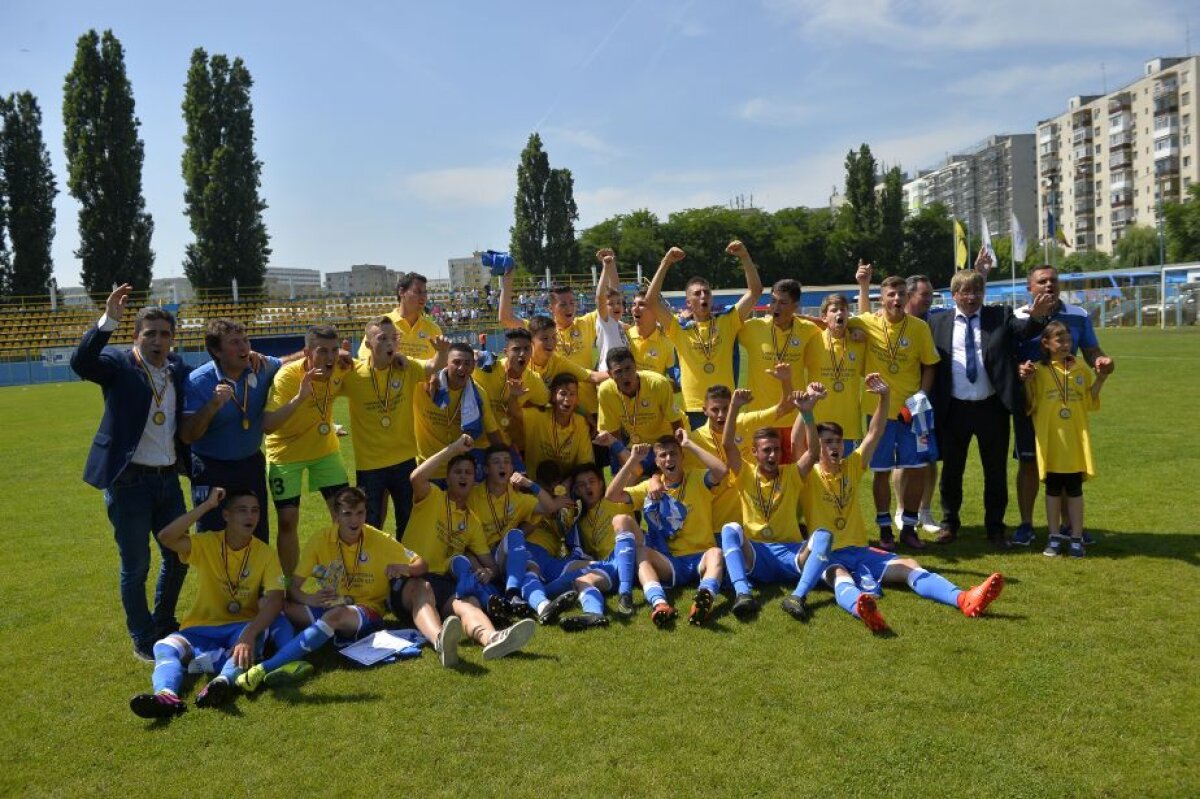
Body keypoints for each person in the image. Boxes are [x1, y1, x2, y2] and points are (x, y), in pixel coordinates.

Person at [796, 386, 1005, 633]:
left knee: (910, 565)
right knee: (840, 575)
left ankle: (964, 599)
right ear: (817, 446)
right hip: (828, 555)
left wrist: (885, 397)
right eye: (828, 442)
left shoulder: (852, 466)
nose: (835, 446)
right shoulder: (808, 474)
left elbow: (876, 431)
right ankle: (861, 609)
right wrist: (806, 412)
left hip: (860, 550)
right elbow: (798, 443)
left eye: (839, 441)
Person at [71, 284, 193, 661]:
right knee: (136, 564)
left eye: (165, 334)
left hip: (168, 480)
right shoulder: (119, 365)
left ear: (173, 339)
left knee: (178, 556)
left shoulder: (177, 370)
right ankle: (142, 635)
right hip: (129, 482)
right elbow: (82, 362)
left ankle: (163, 622)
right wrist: (108, 319)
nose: (158, 340)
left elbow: (213, 375)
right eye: (150, 333)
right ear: (136, 336)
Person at [236, 486, 434, 686]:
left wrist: (404, 568)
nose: (355, 520)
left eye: (360, 513)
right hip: (330, 604)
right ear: (336, 515)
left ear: (366, 512)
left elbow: (422, 563)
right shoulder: (320, 539)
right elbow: (294, 586)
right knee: (268, 604)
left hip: (365, 611)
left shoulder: (380, 539)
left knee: (335, 615)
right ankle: (287, 656)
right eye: (347, 514)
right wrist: (308, 598)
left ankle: (265, 667)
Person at [129, 488, 290, 718]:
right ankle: (167, 696)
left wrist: (248, 634)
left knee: (248, 644)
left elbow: (276, 599)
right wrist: (206, 506)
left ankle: (221, 683)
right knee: (164, 647)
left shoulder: (265, 553)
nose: (250, 517)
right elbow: (167, 537)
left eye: (255, 511)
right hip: (199, 627)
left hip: (241, 627)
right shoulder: (207, 543)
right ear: (226, 515)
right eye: (242, 510)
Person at [929, 269, 1051, 547]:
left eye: (977, 291)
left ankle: (995, 527)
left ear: (983, 294)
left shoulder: (1000, 316)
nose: (971, 297)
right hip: (954, 409)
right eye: (965, 292)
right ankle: (950, 524)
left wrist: (1038, 316)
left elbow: (1025, 331)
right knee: (952, 471)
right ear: (954, 295)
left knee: (995, 471)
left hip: (992, 408)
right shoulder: (937, 322)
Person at [399, 435, 537, 665]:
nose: (463, 476)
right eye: (457, 472)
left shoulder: (471, 521)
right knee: (423, 589)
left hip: (442, 581)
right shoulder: (431, 497)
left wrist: (488, 573)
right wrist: (453, 448)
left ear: (475, 480)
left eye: (468, 473)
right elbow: (416, 476)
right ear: (448, 478)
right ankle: (440, 641)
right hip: (409, 576)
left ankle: (492, 638)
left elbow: (489, 563)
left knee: (469, 601)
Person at [1010, 265, 1115, 547]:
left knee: (1068, 465)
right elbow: (1009, 353)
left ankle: (1070, 526)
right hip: (1032, 403)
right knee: (1029, 462)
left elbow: (1091, 350)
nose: (1049, 285)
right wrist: (1020, 371)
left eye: (1053, 281)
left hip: (1066, 404)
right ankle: (1026, 524)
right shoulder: (1020, 316)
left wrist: (1101, 362)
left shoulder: (1078, 315)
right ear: (1029, 288)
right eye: (1042, 281)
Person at [717, 384, 831, 620]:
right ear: (754, 452)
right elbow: (728, 444)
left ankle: (797, 596)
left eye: (777, 450)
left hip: (791, 554)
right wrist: (735, 408)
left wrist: (808, 413)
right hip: (756, 554)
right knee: (730, 529)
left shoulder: (791, 473)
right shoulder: (745, 473)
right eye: (766, 450)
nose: (772, 455)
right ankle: (743, 593)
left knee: (824, 536)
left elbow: (813, 454)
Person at [851, 266, 940, 551]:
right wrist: (862, 285)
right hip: (878, 413)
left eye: (902, 293)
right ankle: (885, 528)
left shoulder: (919, 327)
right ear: (882, 299)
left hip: (911, 413)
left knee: (915, 469)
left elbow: (930, 364)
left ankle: (910, 528)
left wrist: (921, 399)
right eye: (892, 294)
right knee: (881, 471)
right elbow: (836, 321)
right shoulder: (868, 322)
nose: (897, 298)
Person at [339, 317, 448, 537]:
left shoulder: (405, 367)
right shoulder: (352, 374)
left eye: (394, 338)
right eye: (383, 338)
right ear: (368, 344)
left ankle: (406, 568)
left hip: (405, 459)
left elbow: (432, 366)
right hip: (370, 464)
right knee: (370, 524)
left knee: (408, 521)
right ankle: (371, 567)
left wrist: (443, 352)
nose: (391, 343)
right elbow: (323, 390)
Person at [606, 431, 728, 626]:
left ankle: (703, 599)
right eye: (663, 455)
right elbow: (612, 495)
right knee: (640, 551)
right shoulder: (650, 486)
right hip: (670, 562)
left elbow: (721, 471)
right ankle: (660, 604)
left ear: (682, 457)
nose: (669, 459)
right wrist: (633, 460)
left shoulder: (697, 477)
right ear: (656, 462)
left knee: (716, 553)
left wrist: (689, 444)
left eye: (673, 453)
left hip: (700, 557)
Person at [180, 318, 286, 542]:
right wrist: (213, 405)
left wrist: (318, 355)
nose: (244, 347)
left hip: (250, 464)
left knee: (256, 534)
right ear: (216, 351)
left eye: (246, 340)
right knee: (213, 535)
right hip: (211, 468)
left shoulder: (259, 367)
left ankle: (255, 578)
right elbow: (187, 435)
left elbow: (288, 363)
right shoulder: (198, 381)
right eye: (235, 342)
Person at [644, 242, 763, 428]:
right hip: (695, 405)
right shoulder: (678, 327)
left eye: (706, 292)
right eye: (697, 293)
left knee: (729, 452)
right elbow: (650, 300)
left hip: (726, 403)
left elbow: (755, 292)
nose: (703, 296)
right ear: (688, 302)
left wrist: (745, 256)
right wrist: (666, 262)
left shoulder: (727, 320)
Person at [263, 325, 350, 577]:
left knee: (343, 515)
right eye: (322, 351)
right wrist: (299, 397)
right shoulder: (288, 377)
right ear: (307, 352)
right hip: (285, 453)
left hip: (325, 452)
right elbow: (268, 426)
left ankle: (344, 577)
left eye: (334, 350)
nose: (330, 357)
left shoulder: (341, 369)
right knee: (288, 520)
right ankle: (291, 585)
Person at [1018, 322, 1110, 558]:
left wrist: (1100, 379)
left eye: (1068, 340)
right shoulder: (1038, 371)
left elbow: (1089, 401)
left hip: (1076, 441)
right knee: (1053, 489)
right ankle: (1054, 536)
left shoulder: (1080, 368)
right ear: (1046, 344)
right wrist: (1027, 382)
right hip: (1051, 442)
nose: (1066, 345)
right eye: (1060, 340)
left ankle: (1077, 538)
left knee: (1075, 489)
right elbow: (1030, 405)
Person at [686, 364, 796, 527]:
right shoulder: (695, 440)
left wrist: (786, 381)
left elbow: (785, 407)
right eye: (715, 410)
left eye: (726, 409)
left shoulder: (745, 422)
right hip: (715, 522)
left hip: (753, 519)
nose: (721, 415)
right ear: (704, 410)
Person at [737, 278, 819, 457]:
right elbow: (726, 324)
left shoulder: (808, 330)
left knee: (794, 477)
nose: (776, 307)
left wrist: (855, 330)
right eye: (773, 301)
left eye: (783, 303)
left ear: (795, 305)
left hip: (794, 420)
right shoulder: (753, 328)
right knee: (759, 478)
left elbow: (835, 327)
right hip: (760, 418)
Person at [500, 272, 601, 416]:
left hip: (588, 408)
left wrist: (609, 266)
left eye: (572, 303)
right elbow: (505, 318)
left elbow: (606, 303)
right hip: (552, 412)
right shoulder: (538, 329)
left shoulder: (587, 322)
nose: (569, 308)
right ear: (551, 308)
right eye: (563, 304)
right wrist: (507, 281)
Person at [412, 342, 506, 479]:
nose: (461, 368)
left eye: (467, 363)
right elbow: (406, 367)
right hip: (427, 469)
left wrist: (507, 460)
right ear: (445, 364)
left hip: (458, 472)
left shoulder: (478, 394)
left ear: (473, 367)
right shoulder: (424, 386)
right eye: (456, 362)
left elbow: (492, 432)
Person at [596, 346, 684, 469]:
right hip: (635, 446)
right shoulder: (606, 391)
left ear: (636, 367)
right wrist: (625, 465)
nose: (625, 375)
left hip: (664, 442)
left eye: (628, 369)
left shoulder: (658, 383)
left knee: (662, 483)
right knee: (624, 482)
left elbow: (676, 423)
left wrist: (676, 452)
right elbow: (613, 432)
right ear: (610, 374)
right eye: (618, 372)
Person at [803, 294, 867, 453]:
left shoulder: (859, 342)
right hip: (819, 425)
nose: (840, 313)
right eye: (834, 310)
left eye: (843, 310)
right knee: (819, 475)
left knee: (848, 477)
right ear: (824, 317)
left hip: (850, 426)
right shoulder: (812, 340)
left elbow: (870, 320)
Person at [473, 327, 550, 450]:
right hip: (477, 445)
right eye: (516, 349)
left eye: (526, 349)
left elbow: (547, 405)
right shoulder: (485, 369)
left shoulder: (534, 381)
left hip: (507, 446)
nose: (522, 354)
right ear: (506, 352)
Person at [514, 372, 595, 480]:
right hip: (535, 484)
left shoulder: (581, 423)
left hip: (567, 484)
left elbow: (585, 463)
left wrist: (567, 484)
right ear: (553, 396)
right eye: (563, 393)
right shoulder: (539, 416)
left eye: (572, 394)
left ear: (577, 399)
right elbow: (515, 412)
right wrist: (512, 395)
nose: (567, 398)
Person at [356, 271, 442, 362]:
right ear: (401, 292)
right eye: (417, 291)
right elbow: (365, 359)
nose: (423, 297)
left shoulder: (434, 330)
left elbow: (439, 365)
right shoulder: (380, 324)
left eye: (425, 293)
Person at [626, 289, 676, 378]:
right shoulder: (624, 337)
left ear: (656, 311)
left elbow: (676, 378)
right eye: (634, 304)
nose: (635, 308)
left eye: (642, 304)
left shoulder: (667, 343)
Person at [593, 248, 630, 367]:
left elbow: (616, 289)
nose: (616, 306)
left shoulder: (619, 324)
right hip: (608, 374)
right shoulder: (605, 320)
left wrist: (612, 263)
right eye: (611, 304)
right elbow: (600, 297)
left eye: (619, 302)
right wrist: (605, 267)